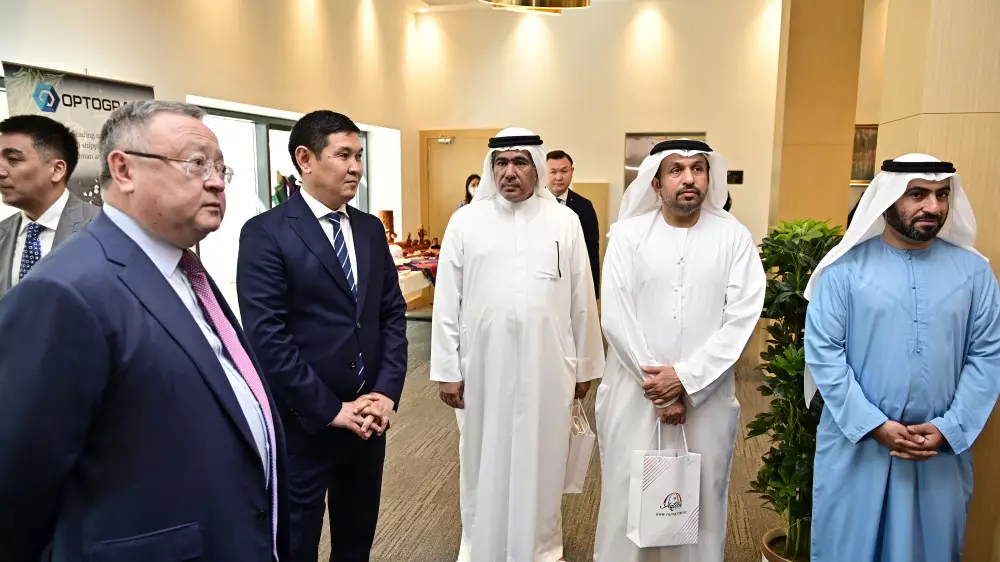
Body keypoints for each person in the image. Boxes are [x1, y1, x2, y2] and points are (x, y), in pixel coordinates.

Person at [0, 100, 288, 561]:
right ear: (124, 170)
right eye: (196, 163)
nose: (216, 181)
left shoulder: (181, 267)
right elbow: (17, 485)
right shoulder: (65, 291)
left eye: (220, 168)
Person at [803, 154, 1000, 562]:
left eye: (942, 195)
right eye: (918, 194)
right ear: (888, 199)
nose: (933, 206)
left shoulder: (975, 274)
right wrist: (874, 425)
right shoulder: (843, 271)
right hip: (858, 446)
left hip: (938, 452)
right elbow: (825, 355)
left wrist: (950, 428)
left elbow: (988, 355)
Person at [237, 110, 408, 562]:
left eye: (359, 156)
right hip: (303, 425)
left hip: (368, 421)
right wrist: (331, 409)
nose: (355, 167)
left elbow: (391, 314)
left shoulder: (369, 229)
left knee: (356, 542)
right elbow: (267, 336)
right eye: (343, 155)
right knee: (297, 545)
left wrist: (385, 393)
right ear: (305, 159)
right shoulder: (266, 233)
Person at [431, 128, 605, 561]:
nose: (510, 172)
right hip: (482, 366)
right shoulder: (465, 222)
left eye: (520, 162)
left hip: (548, 366)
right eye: (501, 163)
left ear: (537, 167)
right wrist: (447, 370)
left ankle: (541, 548)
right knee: (482, 456)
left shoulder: (564, 221)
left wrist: (584, 366)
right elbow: (447, 300)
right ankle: (481, 546)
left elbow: (582, 297)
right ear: (491, 168)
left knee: (542, 459)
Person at [594, 139, 766, 562]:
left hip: (706, 398)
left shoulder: (734, 237)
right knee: (628, 496)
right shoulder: (627, 236)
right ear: (656, 183)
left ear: (710, 177)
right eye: (676, 170)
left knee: (701, 499)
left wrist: (686, 380)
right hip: (635, 395)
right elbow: (616, 316)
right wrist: (661, 389)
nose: (689, 178)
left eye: (698, 169)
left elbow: (742, 318)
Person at [0, 114, 98, 298]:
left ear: (57, 170)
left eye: (13, 159)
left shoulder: (105, 228)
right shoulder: (3, 233)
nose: (1, 171)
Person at [547, 150, 601, 295]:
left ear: (572, 172)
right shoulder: (532, 204)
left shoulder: (584, 206)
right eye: (553, 172)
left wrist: (593, 292)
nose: (559, 177)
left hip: (572, 282)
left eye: (564, 171)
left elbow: (591, 251)